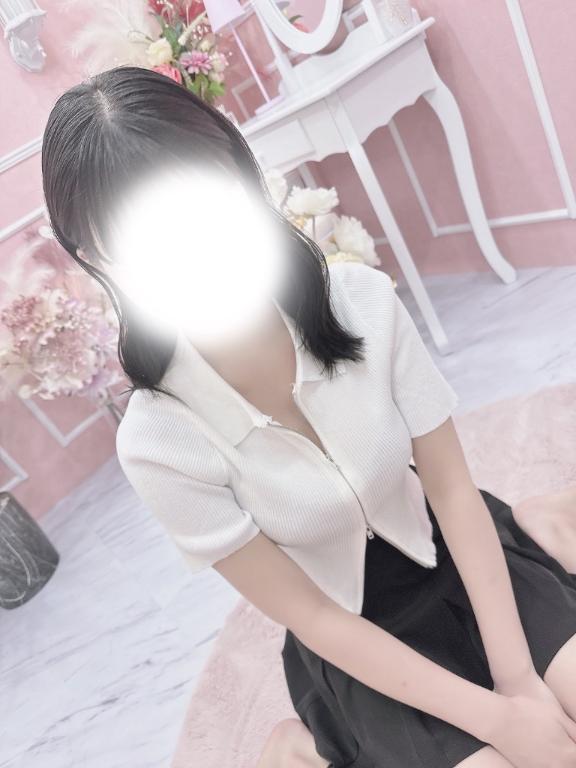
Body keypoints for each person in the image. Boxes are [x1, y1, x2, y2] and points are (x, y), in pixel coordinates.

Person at [41, 66, 576, 768]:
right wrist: (500, 721)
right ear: (96, 257)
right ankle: (302, 744)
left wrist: (520, 683)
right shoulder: (156, 443)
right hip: (359, 641)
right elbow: (315, 616)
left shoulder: (361, 301)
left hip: (459, 554)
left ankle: (541, 528)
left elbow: (451, 491)